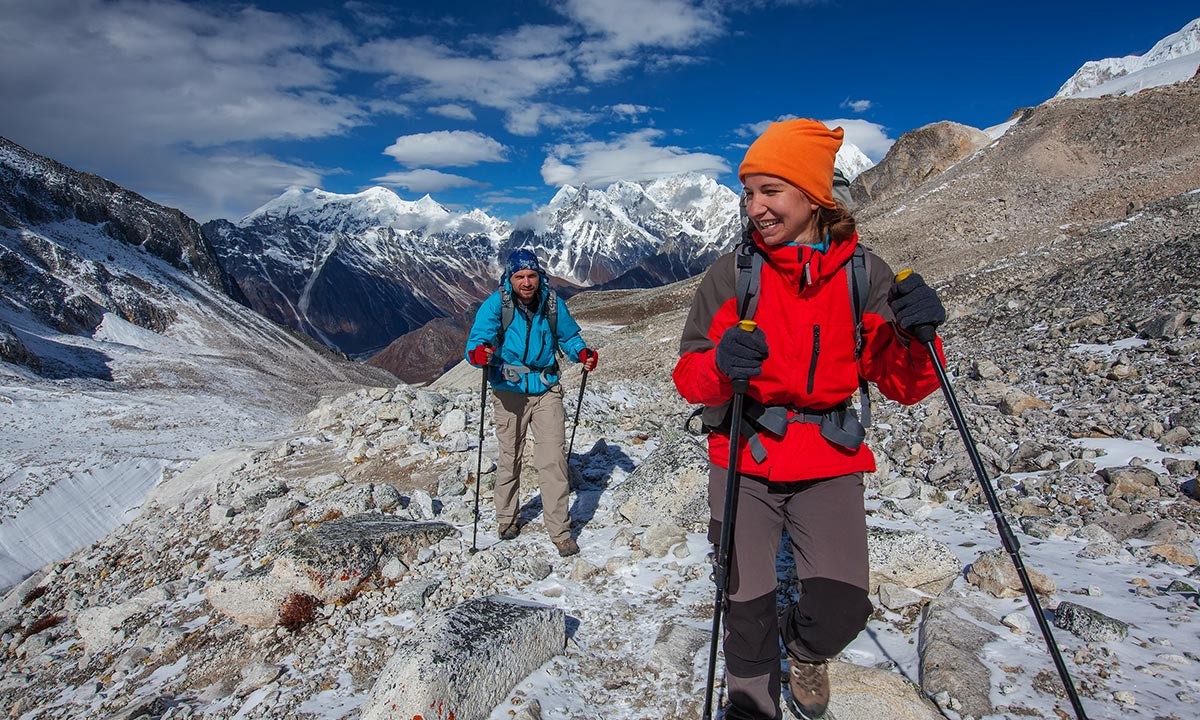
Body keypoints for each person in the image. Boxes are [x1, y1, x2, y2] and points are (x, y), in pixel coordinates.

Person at [673, 119, 947, 720]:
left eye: (770, 190)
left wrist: (917, 338)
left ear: (814, 194)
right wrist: (721, 367)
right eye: (748, 193)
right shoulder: (732, 275)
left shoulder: (863, 275)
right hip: (745, 452)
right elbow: (689, 376)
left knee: (843, 607)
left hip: (827, 457)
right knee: (744, 609)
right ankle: (751, 706)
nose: (755, 207)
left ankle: (802, 648)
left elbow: (903, 384)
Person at [466, 249, 598, 558]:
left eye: (531, 275)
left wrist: (582, 353)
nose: (527, 282)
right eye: (520, 276)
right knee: (510, 455)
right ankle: (507, 519)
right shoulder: (497, 304)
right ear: (509, 279)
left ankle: (561, 531)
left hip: (546, 386)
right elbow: (477, 341)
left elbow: (568, 337)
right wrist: (478, 355)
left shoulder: (552, 303)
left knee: (552, 458)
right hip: (508, 388)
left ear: (539, 276)